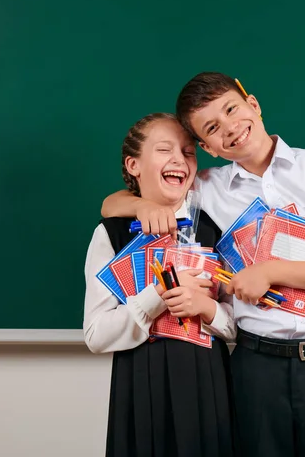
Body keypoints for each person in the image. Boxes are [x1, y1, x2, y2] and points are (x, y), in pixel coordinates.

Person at [101, 73, 305, 457]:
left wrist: (271, 271)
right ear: (207, 147)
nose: (230, 128)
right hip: (254, 367)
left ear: (254, 103)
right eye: (213, 128)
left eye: (231, 109)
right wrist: (142, 206)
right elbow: (112, 204)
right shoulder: (204, 187)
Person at [84, 112, 236, 457]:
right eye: (164, 149)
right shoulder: (111, 234)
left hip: (209, 387)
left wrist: (209, 309)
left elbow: (241, 326)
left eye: (188, 152)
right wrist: (157, 296)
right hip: (140, 389)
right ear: (133, 165)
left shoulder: (217, 230)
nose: (179, 160)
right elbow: (95, 334)